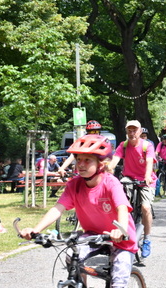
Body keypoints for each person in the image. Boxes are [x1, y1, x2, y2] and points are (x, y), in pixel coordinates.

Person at [19, 134, 137, 287]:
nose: (80, 164)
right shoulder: (74, 185)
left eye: (87, 160)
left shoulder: (111, 183)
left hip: (120, 239)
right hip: (93, 236)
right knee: (71, 255)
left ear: (101, 163)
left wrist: (120, 230)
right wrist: (36, 230)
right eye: (78, 159)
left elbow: (122, 208)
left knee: (118, 281)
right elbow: (57, 209)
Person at [109, 120, 156, 258]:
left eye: (134, 130)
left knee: (146, 208)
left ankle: (146, 239)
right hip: (128, 178)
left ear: (140, 132)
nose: (132, 133)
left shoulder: (147, 146)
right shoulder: (123, 146)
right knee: (120, 206)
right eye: (129, 130)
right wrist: (108, 169)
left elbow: (149, 163)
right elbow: (114, 160)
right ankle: (123, 231)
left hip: (146, 179)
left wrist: (147, 176)